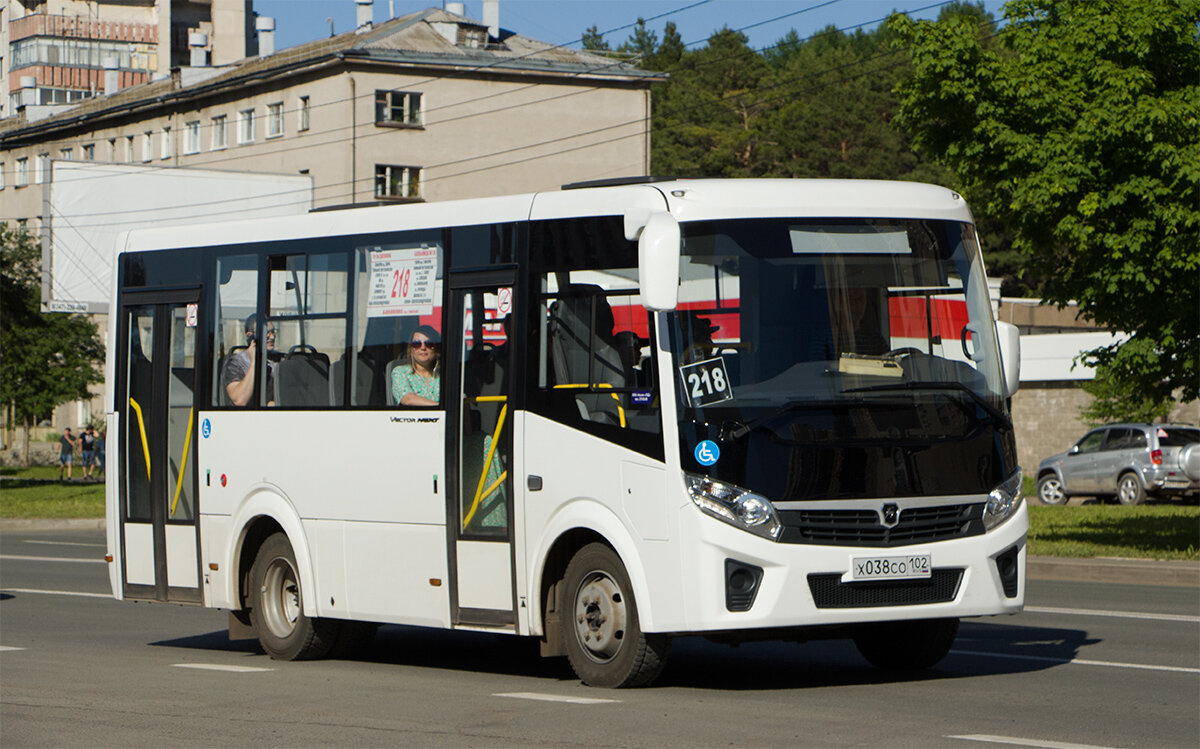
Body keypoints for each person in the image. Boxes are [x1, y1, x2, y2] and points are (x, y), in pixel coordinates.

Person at [222, 314, 277, 406]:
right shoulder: (235, 363)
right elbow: (239, 400)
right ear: (250, 336)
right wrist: (254, 363)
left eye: (273, 332)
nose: (272, 337)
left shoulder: (279, 360)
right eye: (267, 333)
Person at [391, 325, 441, 406]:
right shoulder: (400, 372)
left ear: (436, 348)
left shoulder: (444, 374)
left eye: (428, 344)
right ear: (411, 349)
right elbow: (407, 399)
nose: (423, 348)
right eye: (417, 344)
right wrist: (439, 407)